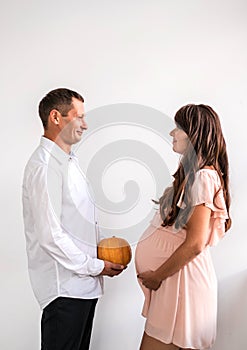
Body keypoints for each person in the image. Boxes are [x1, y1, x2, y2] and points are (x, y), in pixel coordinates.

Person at [22, 88, 125, 350]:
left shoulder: (69, 161)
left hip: (83, 287)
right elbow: (50, 235)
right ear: (56, 117)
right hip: (65, 292)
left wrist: (103, 257)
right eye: (78, 116)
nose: (85, 124)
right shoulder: (46, 166)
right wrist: (95, 266)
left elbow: (77, 223)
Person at [135, 104, 231, 350]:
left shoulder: (203, 177)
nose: (172, 133)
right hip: (175, 281)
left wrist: (156, 276)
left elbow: (196, 243)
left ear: (194, 133)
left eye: (178, 128)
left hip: (183, 284)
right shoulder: (193, 175)